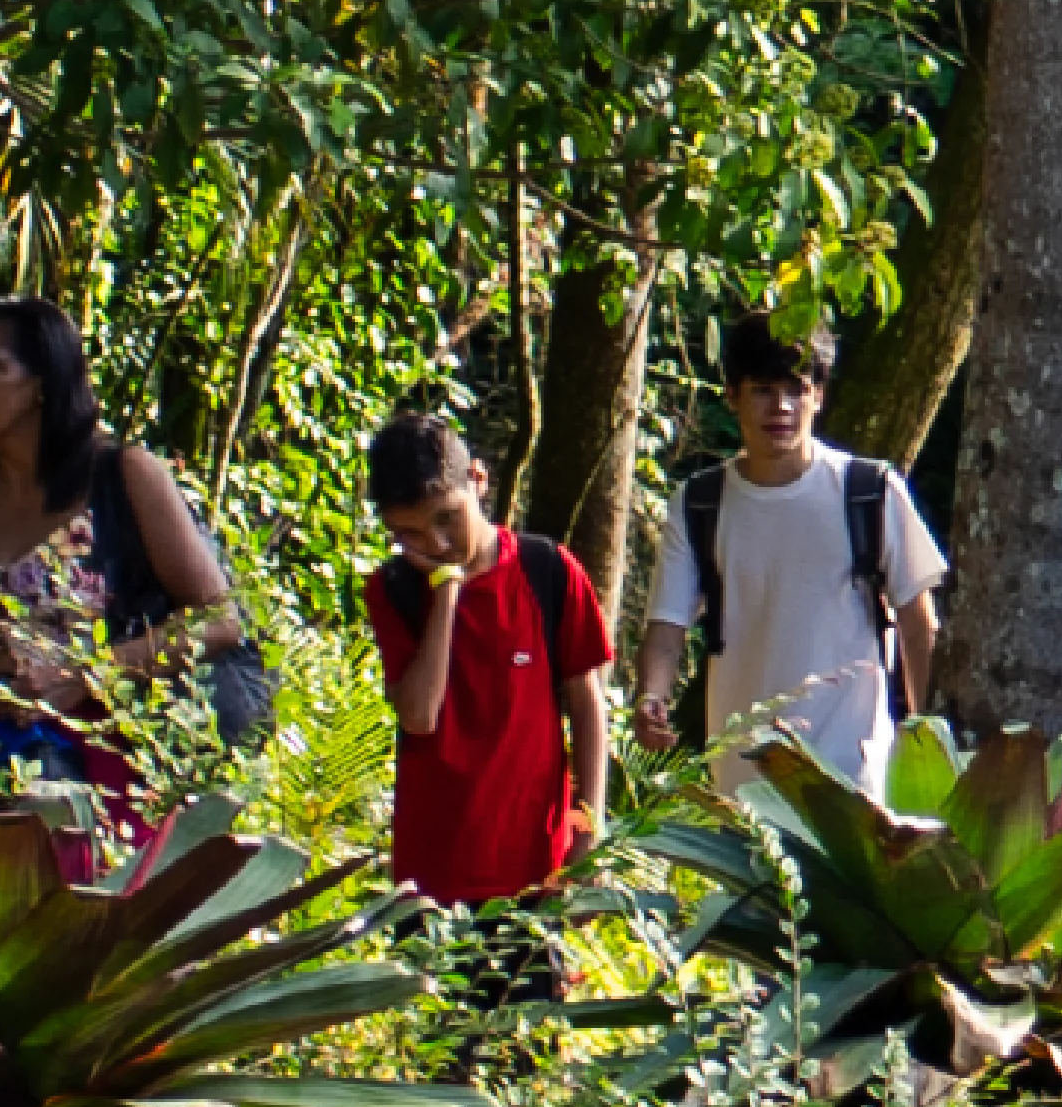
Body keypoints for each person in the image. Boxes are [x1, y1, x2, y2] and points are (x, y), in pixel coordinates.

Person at [0, 292, 248, 808]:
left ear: (41, 382)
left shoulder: (124, 475)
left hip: (103, 755)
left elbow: (222, 619)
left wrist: (87, 674)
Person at [638, 306, 947, 791]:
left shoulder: (870, 491)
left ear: (818, 397)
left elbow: (918, 624)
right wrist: (651, 695)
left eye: (795, 390)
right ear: (733, 397)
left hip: (855, 777)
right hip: (742, 782)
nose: (780, 407)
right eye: (763, 390)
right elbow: (666, 627)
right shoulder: (701, 503)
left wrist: (932, 748)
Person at [363, 393, 611, 914]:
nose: (436, 541)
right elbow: (419, 716)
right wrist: (446, 586)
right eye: (410, 533)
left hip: (535, 868)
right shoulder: (393, 591)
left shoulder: (549, 570)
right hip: (431, 877)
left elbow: (586, 705)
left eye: (447, 519)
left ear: (478, 480)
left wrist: (587, 827)